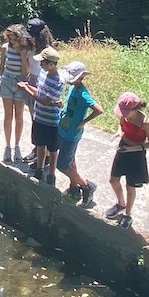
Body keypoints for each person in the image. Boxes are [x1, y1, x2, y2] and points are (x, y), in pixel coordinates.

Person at [105, 92, 149, 230]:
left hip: (136, 155)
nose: (123, 114)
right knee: (113, 179)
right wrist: (119, 133)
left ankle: (127, 214)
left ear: (135, 109)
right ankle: (120, 204)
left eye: (126, 112)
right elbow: (121, 125)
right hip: (123, 147)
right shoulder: (125, 116)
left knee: (130, 186)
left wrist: (133, 149)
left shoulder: (145, 122)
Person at [56, 61, 103, 207]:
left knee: (62, 165)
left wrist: (84, 121)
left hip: (72, 134)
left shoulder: (83, 93)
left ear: (81, 78)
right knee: (70, 160)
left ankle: (86, 185)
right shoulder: (72, 88)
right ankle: (73, 187)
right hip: (64, 129)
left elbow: (99, 110)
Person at [18, 46, 63, 185]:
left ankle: (51, 175)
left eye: (42, 62)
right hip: (39, 117)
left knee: (53, 150)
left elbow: (45, 101)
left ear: (51, 64)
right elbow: (40, 91)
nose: (40, 64)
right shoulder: (43, 74)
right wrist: (28, 86)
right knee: (40, 145)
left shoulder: (59, 81)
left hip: (51, 121)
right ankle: (39, 169)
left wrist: (26, 90)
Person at [0, 23, 32, 162]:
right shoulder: (5, 48)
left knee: (19, 116)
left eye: (15, 39)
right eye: (10, 38)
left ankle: (17, 146)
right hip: (7, 82)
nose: (12, 41)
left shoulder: (25, 50)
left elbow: (26, 72)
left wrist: (22, 56)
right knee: (8, 116)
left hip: (21, 83)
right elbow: (1, 68)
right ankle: (8, 146)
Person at [20, 17, 55, 163]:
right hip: (31, 80)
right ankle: (38, 149)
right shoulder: (31, 46)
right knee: (34, 118)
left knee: (40, 120)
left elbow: (50, 71)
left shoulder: (47, 50)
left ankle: (44, 153)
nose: (30, 39)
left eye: (32, 36)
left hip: (42, 83)